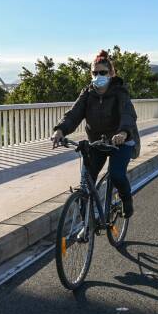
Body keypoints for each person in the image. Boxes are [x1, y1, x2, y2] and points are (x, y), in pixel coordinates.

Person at [51, 50, 140, 218]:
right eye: (95, 72)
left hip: (120, 141)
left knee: (116, 174)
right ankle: (87, 223)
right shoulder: (87, 93)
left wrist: (123, 132)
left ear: (111, 73)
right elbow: (74, 113)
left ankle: (127, 201)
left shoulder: (120, 92)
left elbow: (128, 114)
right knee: (85, 183)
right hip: (97, 143)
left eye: (103, 72)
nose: (98, 75)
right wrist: (60, 130)